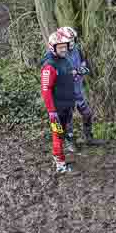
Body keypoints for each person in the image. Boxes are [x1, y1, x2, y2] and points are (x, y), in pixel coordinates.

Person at [47, 27, 103, 150]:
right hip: (65, 93)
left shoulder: (77, 50)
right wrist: (71, 73)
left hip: (78, 90)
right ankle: (70, 141)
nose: (71, 42)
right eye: (69, 40)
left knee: (87, 113)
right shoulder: (58, 54)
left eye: (73, 39)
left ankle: (88, 137)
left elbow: (84, 63)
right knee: (68, 118)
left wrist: (83, 68)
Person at [40, 28, 76, 173]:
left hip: (67, 105)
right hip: (56, 109)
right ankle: (60, 164)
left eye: (65, 47)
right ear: (53, 48)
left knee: (64, 132)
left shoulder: (64, 60)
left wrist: (75, 73)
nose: (63, 50)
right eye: (60, 47)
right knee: (58, 135)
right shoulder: (49, 65)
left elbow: (66, 76)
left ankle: (60, 157)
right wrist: (51, 112)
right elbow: (46, 89)